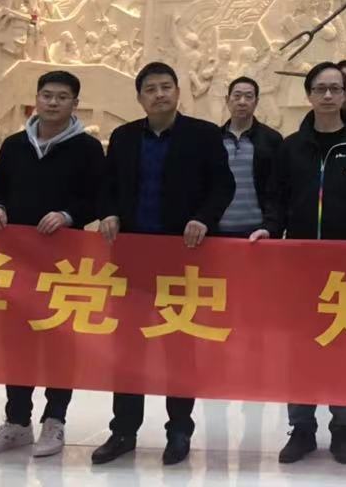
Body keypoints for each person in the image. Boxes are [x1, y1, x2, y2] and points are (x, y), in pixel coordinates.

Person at [92, 62, 235, 467]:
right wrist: (109, 212)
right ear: (140, 98)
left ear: (177, 92)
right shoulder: (124, 137)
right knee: (127, 348)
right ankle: (123, 430)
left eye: (166, 87)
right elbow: (107, 186)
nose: (159, 94)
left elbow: (223, 185)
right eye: (151, 89)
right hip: (131, 258)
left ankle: (179, 430)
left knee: (178, 346)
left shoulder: (203, 135)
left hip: (183, 258)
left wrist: (203, 218)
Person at [252, 63, 346, 465]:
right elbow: (277, 198)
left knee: (345, 348)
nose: (328, 96)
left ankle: (343, 429)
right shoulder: (291, 147)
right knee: (299, 348)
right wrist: (269, 228)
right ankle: (302, 428)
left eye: (335, 89)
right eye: (320, 89)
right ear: (309, 95)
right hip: (300, 267)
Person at [0, 70, 104, 459]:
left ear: (74, 104)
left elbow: (98, 197)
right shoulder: (15, 145)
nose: (52, 102)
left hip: (64, 264)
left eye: (62, 97)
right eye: (47, 95)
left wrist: (67, 215)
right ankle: (17, 421)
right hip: (16, 261)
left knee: (59, 342)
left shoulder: (87, 148)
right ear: (36, 99)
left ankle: (55, 420)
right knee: (16, 341)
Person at [216, 76, 283, 239]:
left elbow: (278, 189)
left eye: (248, 96)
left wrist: (270, 226)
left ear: (256, 101)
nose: (242, 102)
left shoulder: (271, 139)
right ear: (227, 100)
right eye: (237, 96)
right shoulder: (214, 139)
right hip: (217, 231)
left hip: (258, 232)